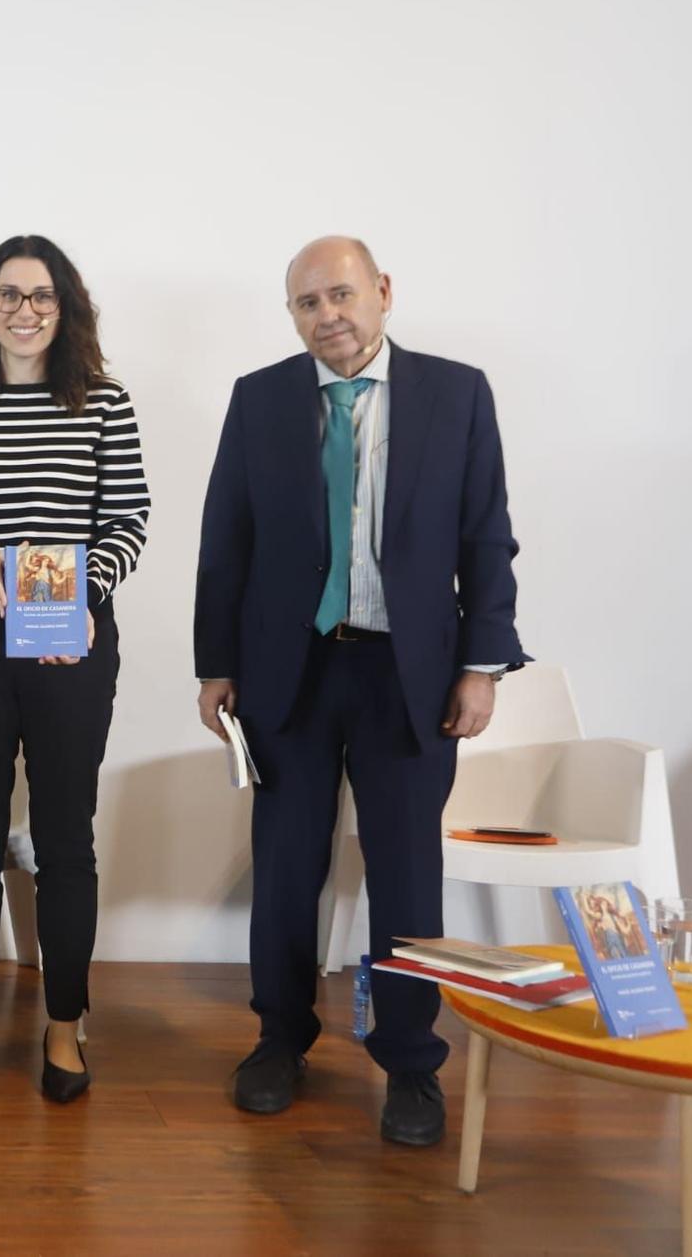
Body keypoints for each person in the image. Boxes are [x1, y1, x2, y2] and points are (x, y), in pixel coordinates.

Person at [194, 236, 527, 1147]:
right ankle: (279, 1039)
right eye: (306, 303)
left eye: (341, 294)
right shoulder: (259, 399)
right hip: (288, 669)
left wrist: (482, 665)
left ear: (383, 292)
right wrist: (214, 664)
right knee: (288, 864)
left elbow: (486, 537)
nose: (326, 315)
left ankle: (412, 1060)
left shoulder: (456, 394)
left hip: (409, 674)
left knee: (407, 872)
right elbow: (227, 540)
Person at [0, 235, 150, 1103]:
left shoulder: (105, 403)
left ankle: (64, 1027)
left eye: (41, 295)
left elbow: (129, 519)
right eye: (8, 295)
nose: (24, 310)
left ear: (66, 307)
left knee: (64, 837)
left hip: (72, 633)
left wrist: (90, 592)